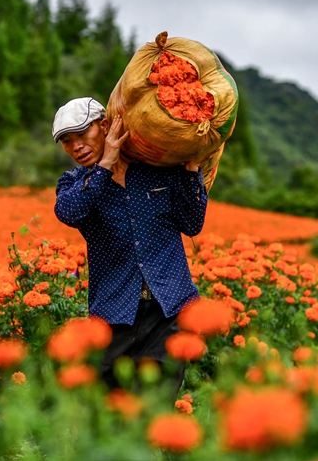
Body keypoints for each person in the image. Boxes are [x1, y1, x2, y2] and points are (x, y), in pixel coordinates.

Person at [52, 96, 207, 398]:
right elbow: (69, 212)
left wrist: (190, 170)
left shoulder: (157, 171)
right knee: (111, 408)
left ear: (106, 125)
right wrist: (105, 164)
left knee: (156, 404)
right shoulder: (75, 182)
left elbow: (192, 224)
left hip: (169, 308)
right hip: (114, 312)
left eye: (83, 134)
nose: (76, 147)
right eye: (67, 142)